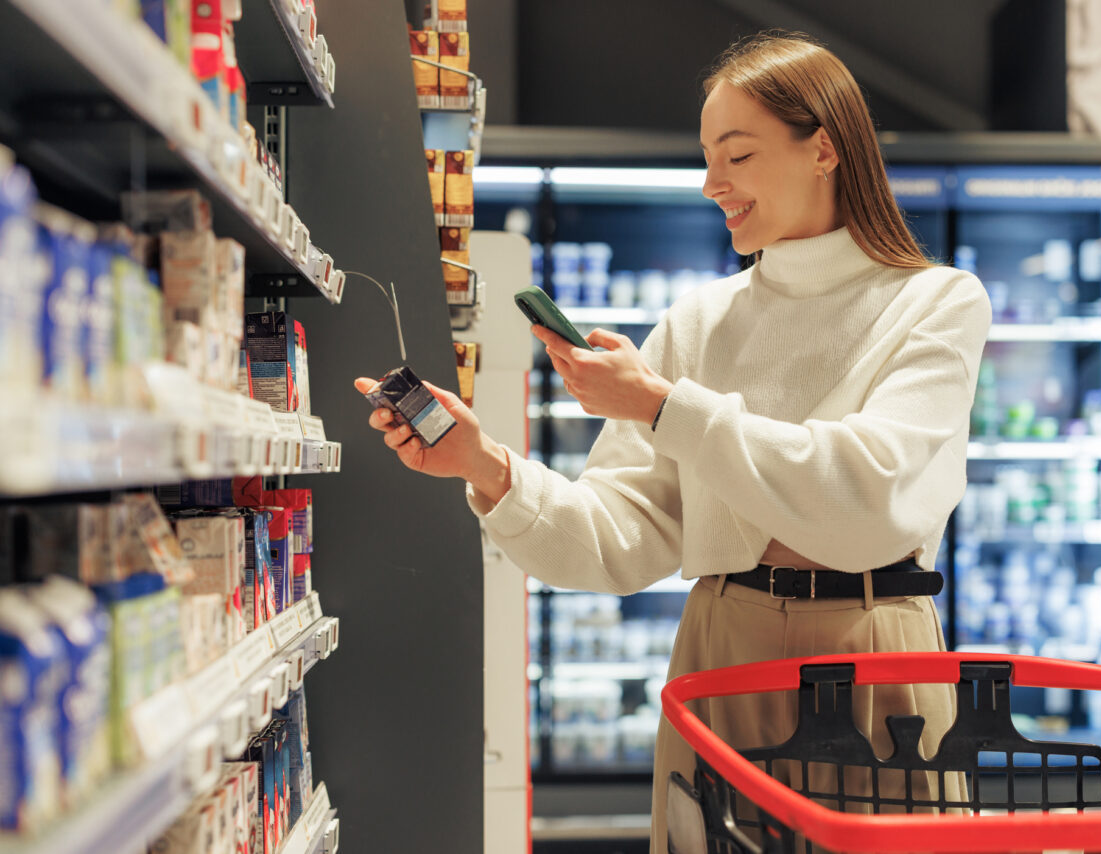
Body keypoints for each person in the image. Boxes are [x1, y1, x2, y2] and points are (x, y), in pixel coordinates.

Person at [356, 30, 990, 853]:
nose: (710, 184)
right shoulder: (697, 324)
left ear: (825, 148)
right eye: (706, 157)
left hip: (876, 652)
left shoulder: (936, 303)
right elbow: (618, 540)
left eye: (737, 156)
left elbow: (867, 494)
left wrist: (664, 408)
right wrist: (482, 463)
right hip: (723, 647)